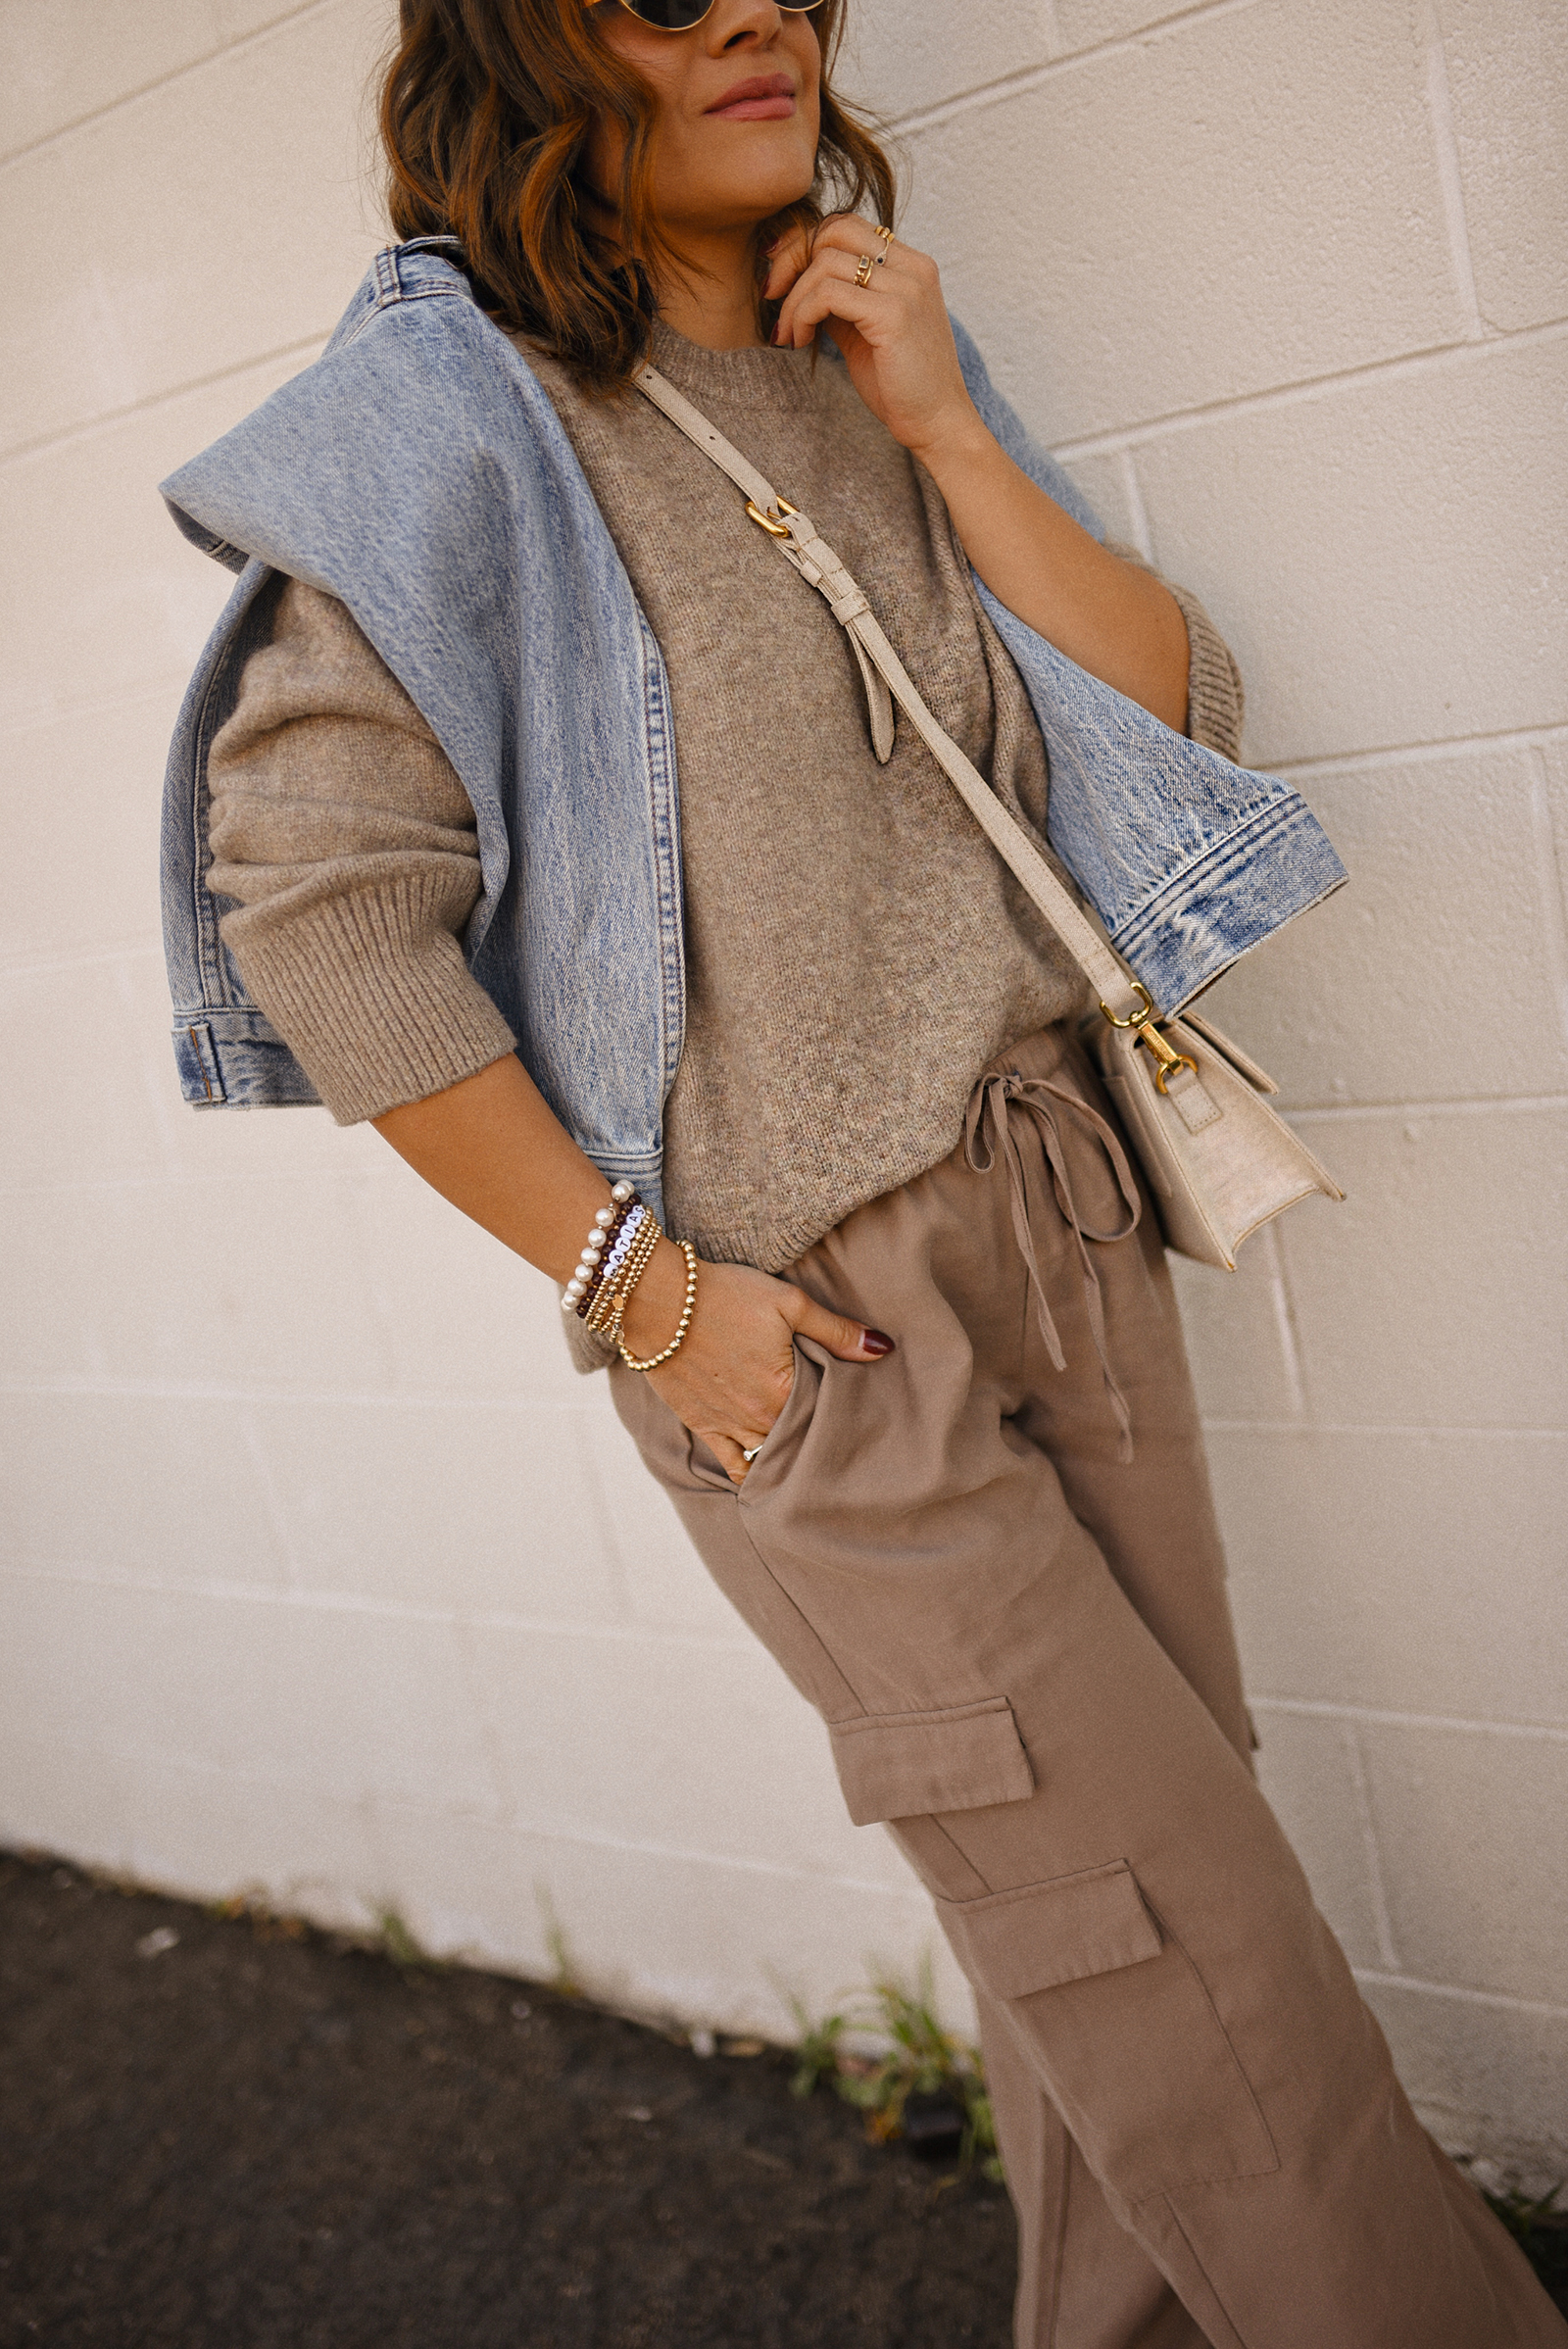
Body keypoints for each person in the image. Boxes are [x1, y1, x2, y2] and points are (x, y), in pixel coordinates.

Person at [156, 3, 1566, 2341]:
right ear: (515, 50)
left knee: (1108, 1937)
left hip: (1060, 1201)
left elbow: (1160, 702)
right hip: (811, 1330)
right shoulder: (449, 432)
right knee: (1191, 1952)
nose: (747, 17)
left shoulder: (863, 341)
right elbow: (315, 904)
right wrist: (641, 1286)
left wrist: (941, 428)